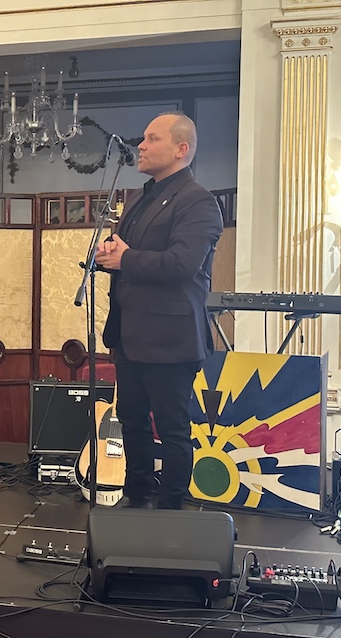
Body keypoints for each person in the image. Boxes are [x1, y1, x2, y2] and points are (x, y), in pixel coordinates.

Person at [94, 112, 223, 510]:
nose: (141, 146)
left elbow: (182, 265)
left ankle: (170, 510)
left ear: (181, 149)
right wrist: (109, 255)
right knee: (131, 423)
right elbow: (129, 255)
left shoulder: (198, 201)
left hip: (171, 339)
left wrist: (126, 259)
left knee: (172, 430)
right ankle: (135, 498)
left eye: (152, 139)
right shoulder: (139, 198)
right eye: (143, 139)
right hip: (130, 335)